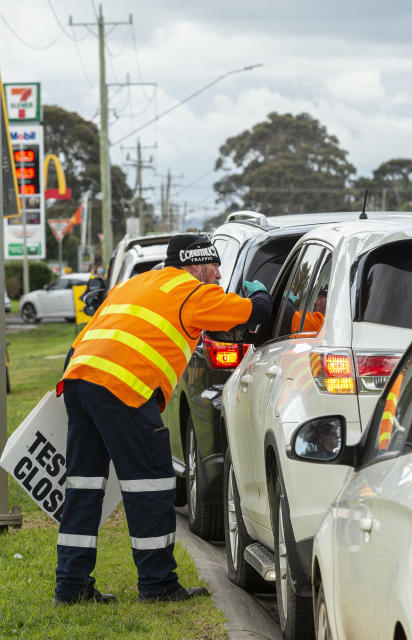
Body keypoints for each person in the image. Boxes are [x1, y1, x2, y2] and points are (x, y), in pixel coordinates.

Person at [53, 234, 272, 605]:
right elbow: (256, 313)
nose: (219, 274)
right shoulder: (194, 293)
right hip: (123, 391)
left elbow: (79, 344)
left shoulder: (134, 284)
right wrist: (261, 291)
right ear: (195, 264)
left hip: (79, 382)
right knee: (149, 488)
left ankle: (70, 588)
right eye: (214, 265)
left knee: (84, 488)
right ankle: (158, 587)